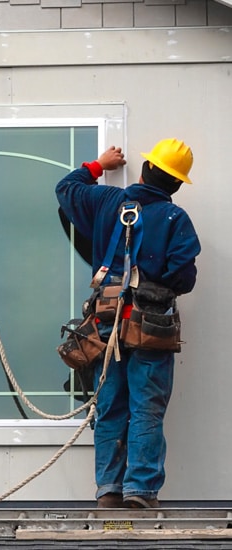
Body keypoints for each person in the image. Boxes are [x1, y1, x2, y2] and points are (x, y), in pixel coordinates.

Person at [55, 138, 201, 509]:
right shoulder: (174, 219)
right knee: (146, 408)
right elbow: (183, 276)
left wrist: (99, 164)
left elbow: (67, 189)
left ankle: (108, 490)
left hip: (105, 326)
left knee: (111, 407)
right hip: (149, 328)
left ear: (145, 169)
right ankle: (140, 491)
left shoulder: (107, 202)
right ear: (177, 184)